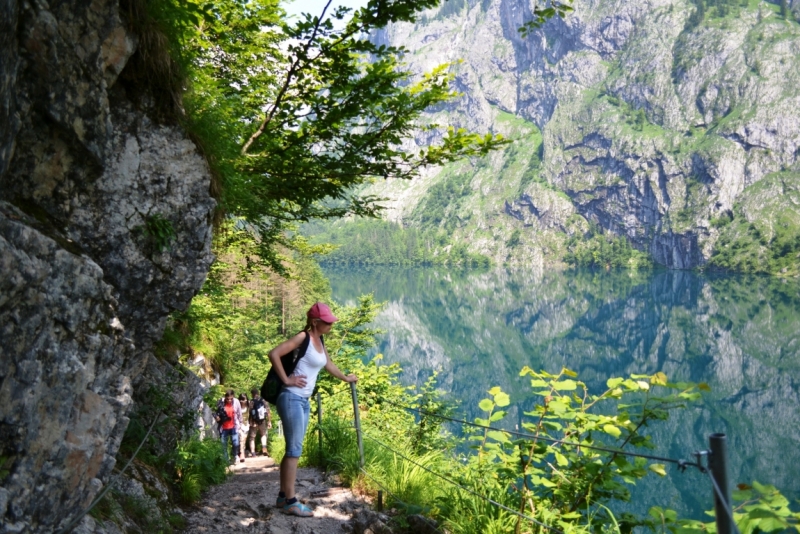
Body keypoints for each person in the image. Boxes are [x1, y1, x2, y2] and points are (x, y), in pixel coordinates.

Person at [268, 302, 357, 517]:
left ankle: (282, 496)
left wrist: (346, 378)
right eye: (327, 322)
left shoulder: (320, 340)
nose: (331, 325)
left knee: (293, 448)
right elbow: (274, 353)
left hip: (303, 400)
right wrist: (287, 380)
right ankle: (291, 501)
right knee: (294, 451)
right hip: (291, 398)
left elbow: (328, 364)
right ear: (315, 322)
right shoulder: (303, 338)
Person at [215, 389, 243, 464]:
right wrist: (216, 417)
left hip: (234, 426)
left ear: (233, 396)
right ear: (225, 397)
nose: (229, 400)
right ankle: (226, 460)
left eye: (231, 398)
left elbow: (239, 413)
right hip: (223, 428)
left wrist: (240, 424)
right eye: (228, 399)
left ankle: (235, 456)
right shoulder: (220, 402)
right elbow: (215, 412)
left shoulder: (236, 401)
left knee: (236, 443)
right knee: (224, 445)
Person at [248, 387, 272, 457]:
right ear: (258, 393)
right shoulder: (264, 400)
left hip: (254, 422)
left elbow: (250, 412)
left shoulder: (251, 401)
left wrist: (250, 422)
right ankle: (264, 448)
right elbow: (268, 411)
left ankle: (253, 453)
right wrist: (269, 421)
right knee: (263, 435)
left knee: (252, 437)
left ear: (252, 394)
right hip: (262, 421)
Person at [238, 393, 250, 461]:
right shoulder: (238, 406)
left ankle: (242, 452)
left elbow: (251, 416)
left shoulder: (248, 407)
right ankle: (241, 454)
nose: (243, 401)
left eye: (244, 399)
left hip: (246, 425)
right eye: (241, 400)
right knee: (241, 439)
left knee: (244, 439)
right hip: (239, 426)